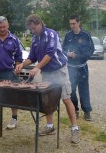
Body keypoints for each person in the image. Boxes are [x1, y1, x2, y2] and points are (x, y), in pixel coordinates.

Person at [15, 14, 80, 144]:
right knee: (47, 100)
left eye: (34, 28)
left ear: (40, 24)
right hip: (47, 72)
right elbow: (32, 57)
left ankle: (75, 129)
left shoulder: (51, 34)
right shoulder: (34, 39)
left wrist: (37, 67)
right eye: (31, 29)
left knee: (66, 99)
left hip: (59, 70)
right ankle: (50, 127)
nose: (32, 31)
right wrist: (22, 64)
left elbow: (50, 53)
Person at [62, 15, 94, 121]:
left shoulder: (86, 35)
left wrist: (80, 57)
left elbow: (91, 50)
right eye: (70, 23)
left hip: (82, 67)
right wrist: (67, 54)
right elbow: (62, 49)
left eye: (74, 23)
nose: (72, 26)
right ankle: (74, 110)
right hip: (70, 68)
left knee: (84, 90)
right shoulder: (68, 35)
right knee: (71, 91)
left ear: (79, 23)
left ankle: (87, 112)